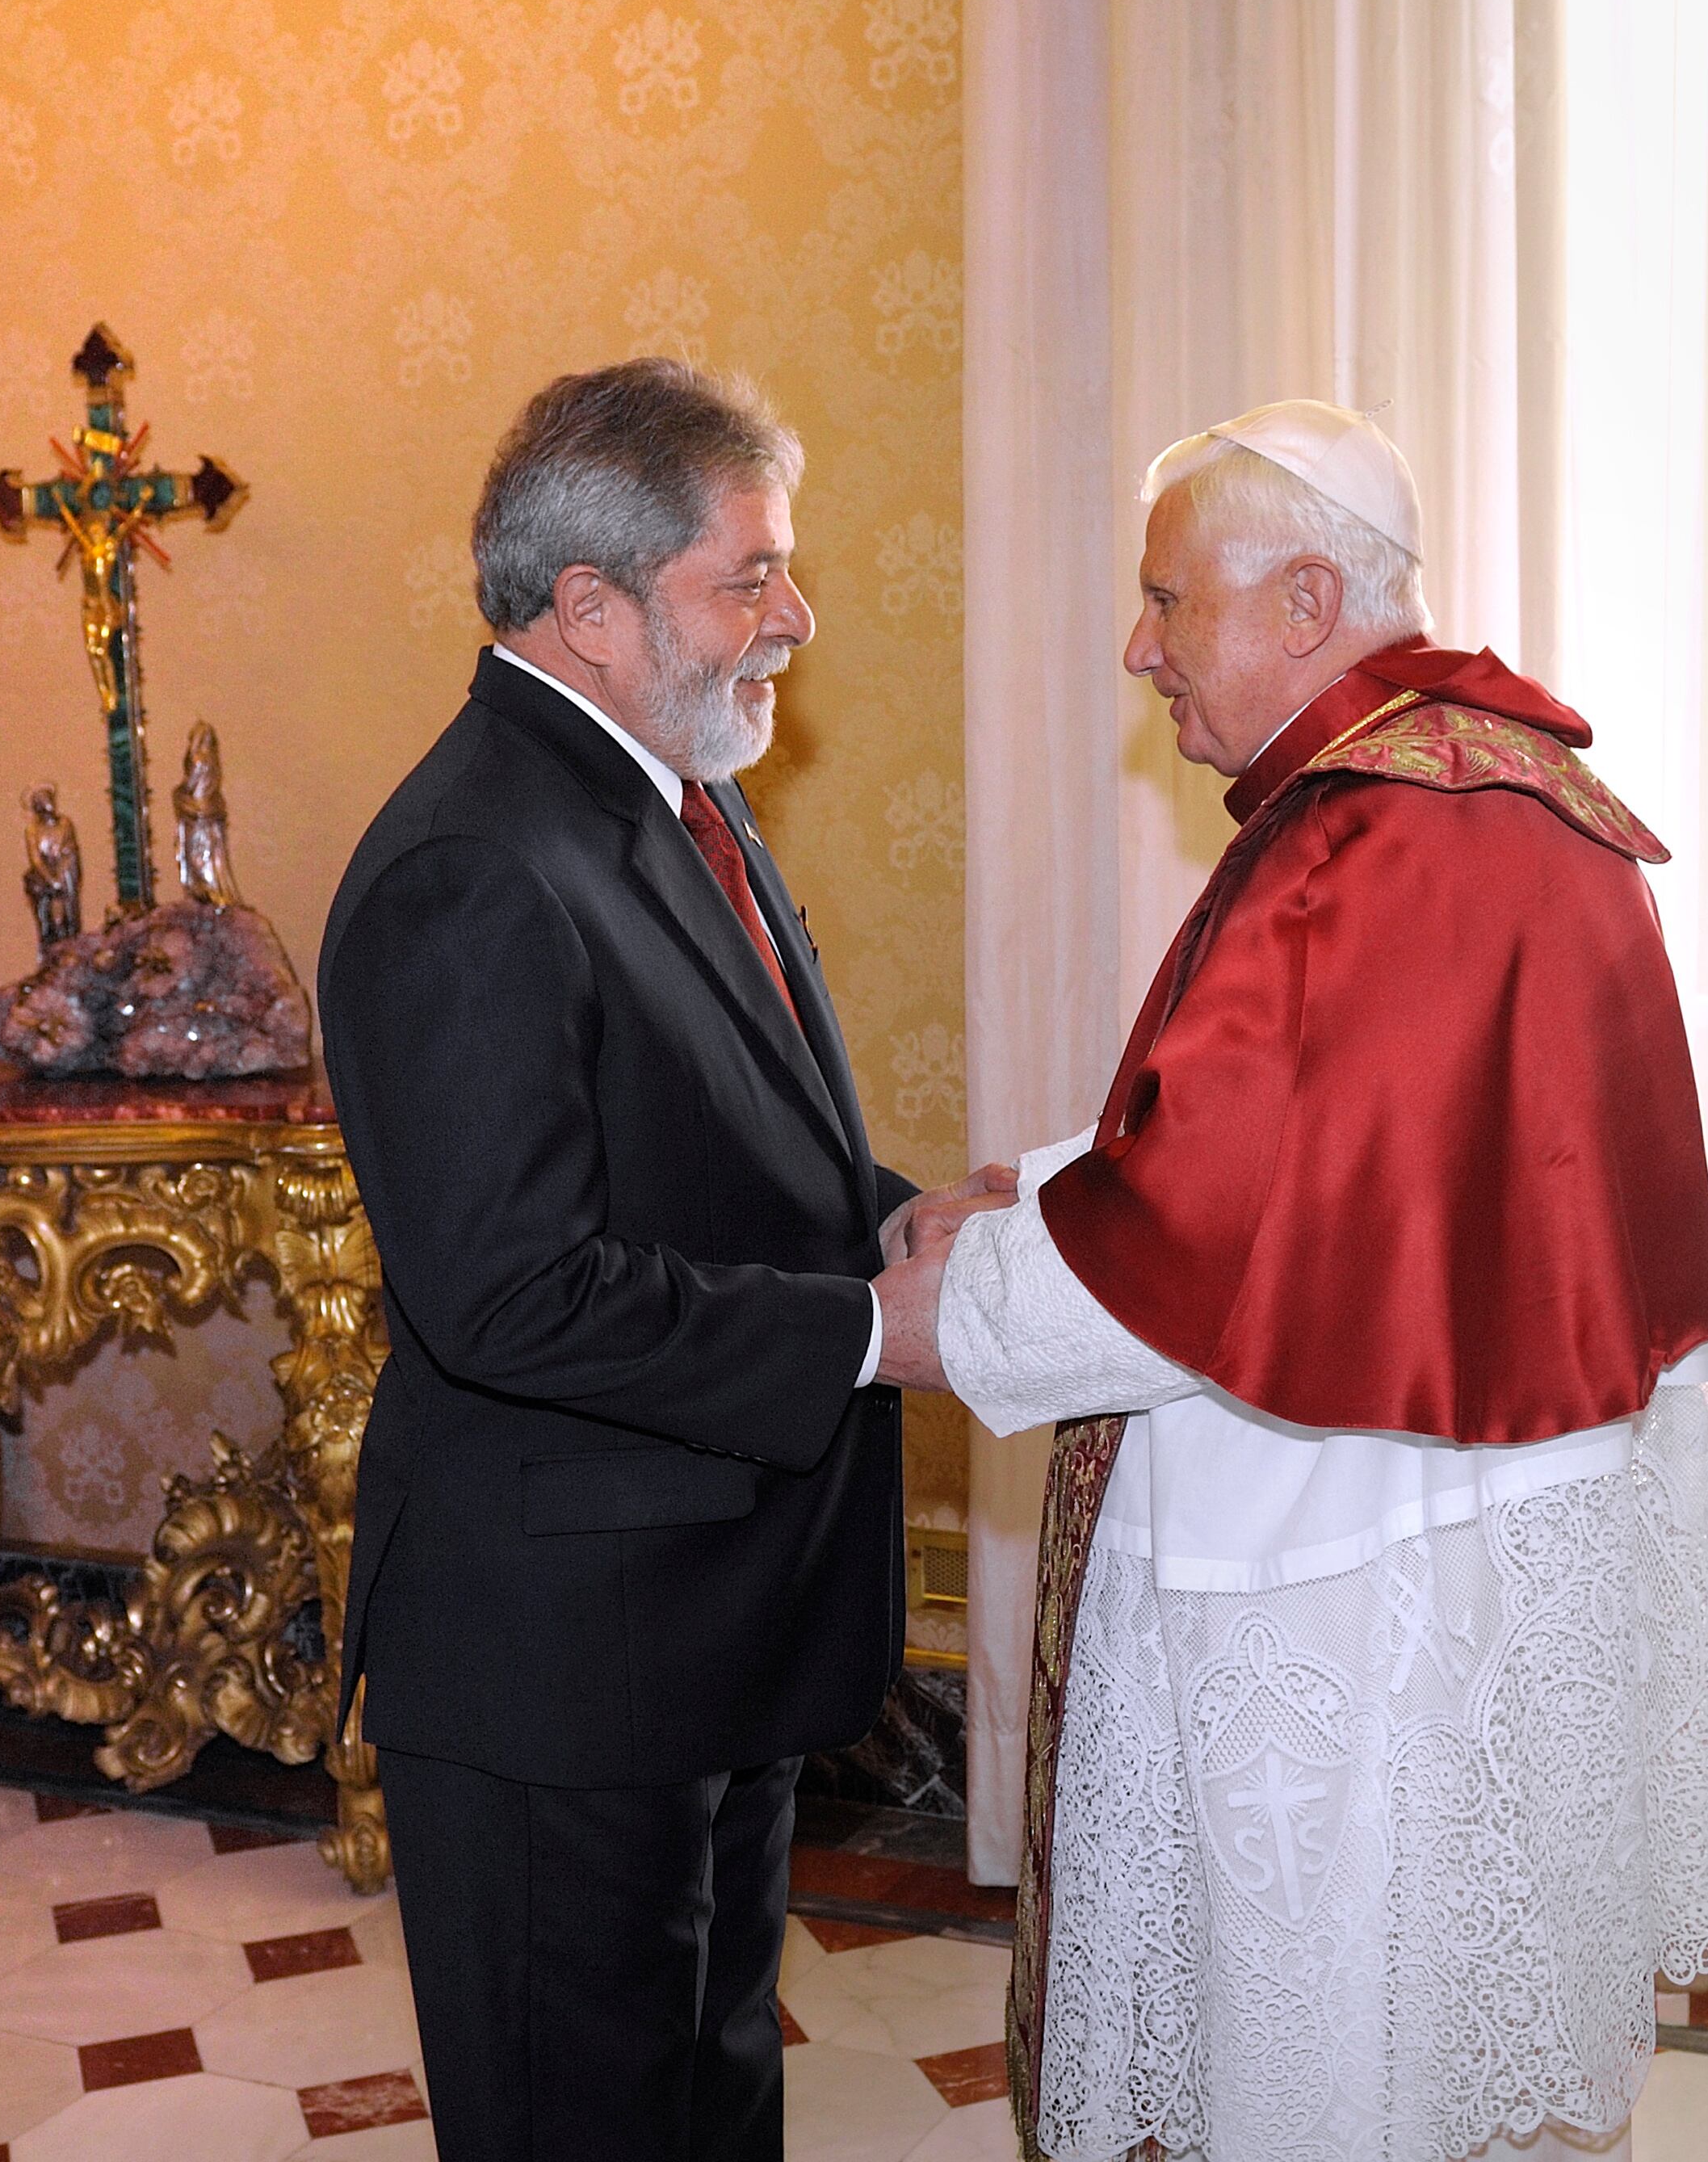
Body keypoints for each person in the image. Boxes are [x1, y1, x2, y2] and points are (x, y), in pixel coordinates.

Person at [892, 401, 1708, 2162]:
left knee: (1322, 2035)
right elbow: (1344, 1148)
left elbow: (1207, 1241)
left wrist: (932, 1312)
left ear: (1297, 604)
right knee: (1434, 2030)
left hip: (1329, 1569)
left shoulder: (1364, 839)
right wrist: (1055, 1187)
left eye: (1164, 601)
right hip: (1484, 1517)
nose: (1140, 647)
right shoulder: (1513, 783)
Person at [319, 360, 1009, 2160]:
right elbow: (513, 1290)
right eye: (749, 575)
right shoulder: (473, 867)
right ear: (587, 608)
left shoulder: (667, 793)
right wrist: (872, 1331)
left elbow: (694, 1143)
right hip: (565, 1658)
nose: (795, 616)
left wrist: (889, 1218)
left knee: (698, 2096)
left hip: (693, 1620)